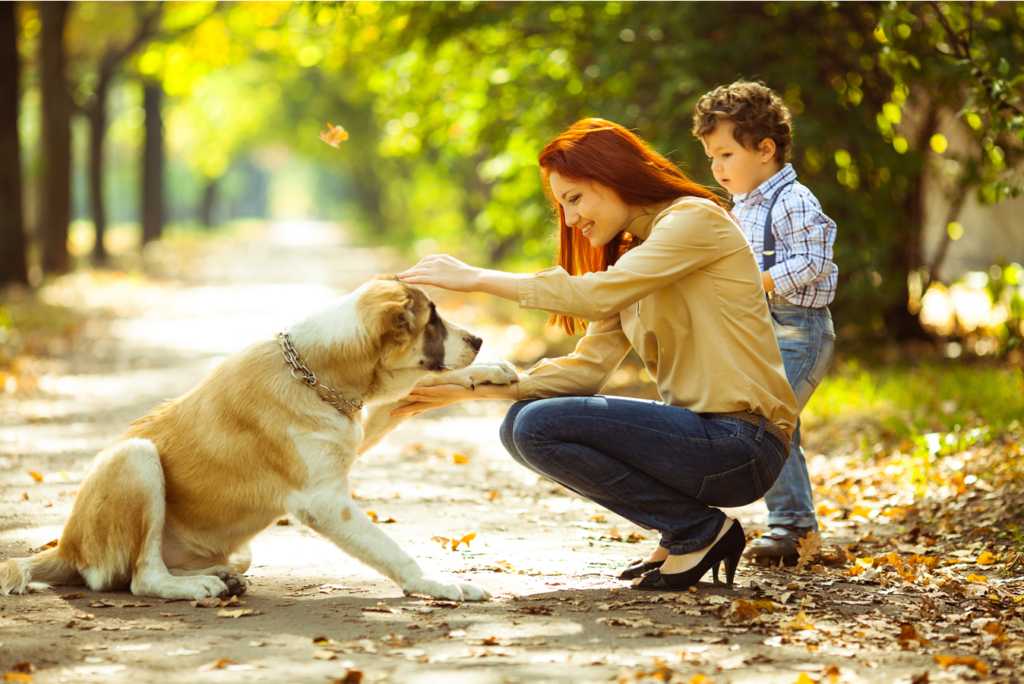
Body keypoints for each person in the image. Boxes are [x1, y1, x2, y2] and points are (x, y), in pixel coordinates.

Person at [397, 118, 798, 591]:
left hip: (742, 443)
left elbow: (594, 295)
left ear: (613, 176)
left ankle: (697, 531)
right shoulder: (639, 256)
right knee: (523, 425)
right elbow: (587, 369)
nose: (569, 220)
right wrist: (463, 390)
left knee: (535, 423)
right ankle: (688, 527)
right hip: (703, 440)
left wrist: (478, 278)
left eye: (575, 199)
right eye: (561, 205)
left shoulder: (694, 220)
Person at [692, 81, 837, 562]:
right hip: (762, 329)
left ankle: (793, 528)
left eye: (726, 154)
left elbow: (813, 262)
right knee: (773, 424)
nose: (716, 167)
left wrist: (755, 282)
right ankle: (794, 526)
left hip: (800, 330)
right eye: (711, 156)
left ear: (765, 149)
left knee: (772, 426)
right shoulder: (743, 206)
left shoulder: (792, 200)